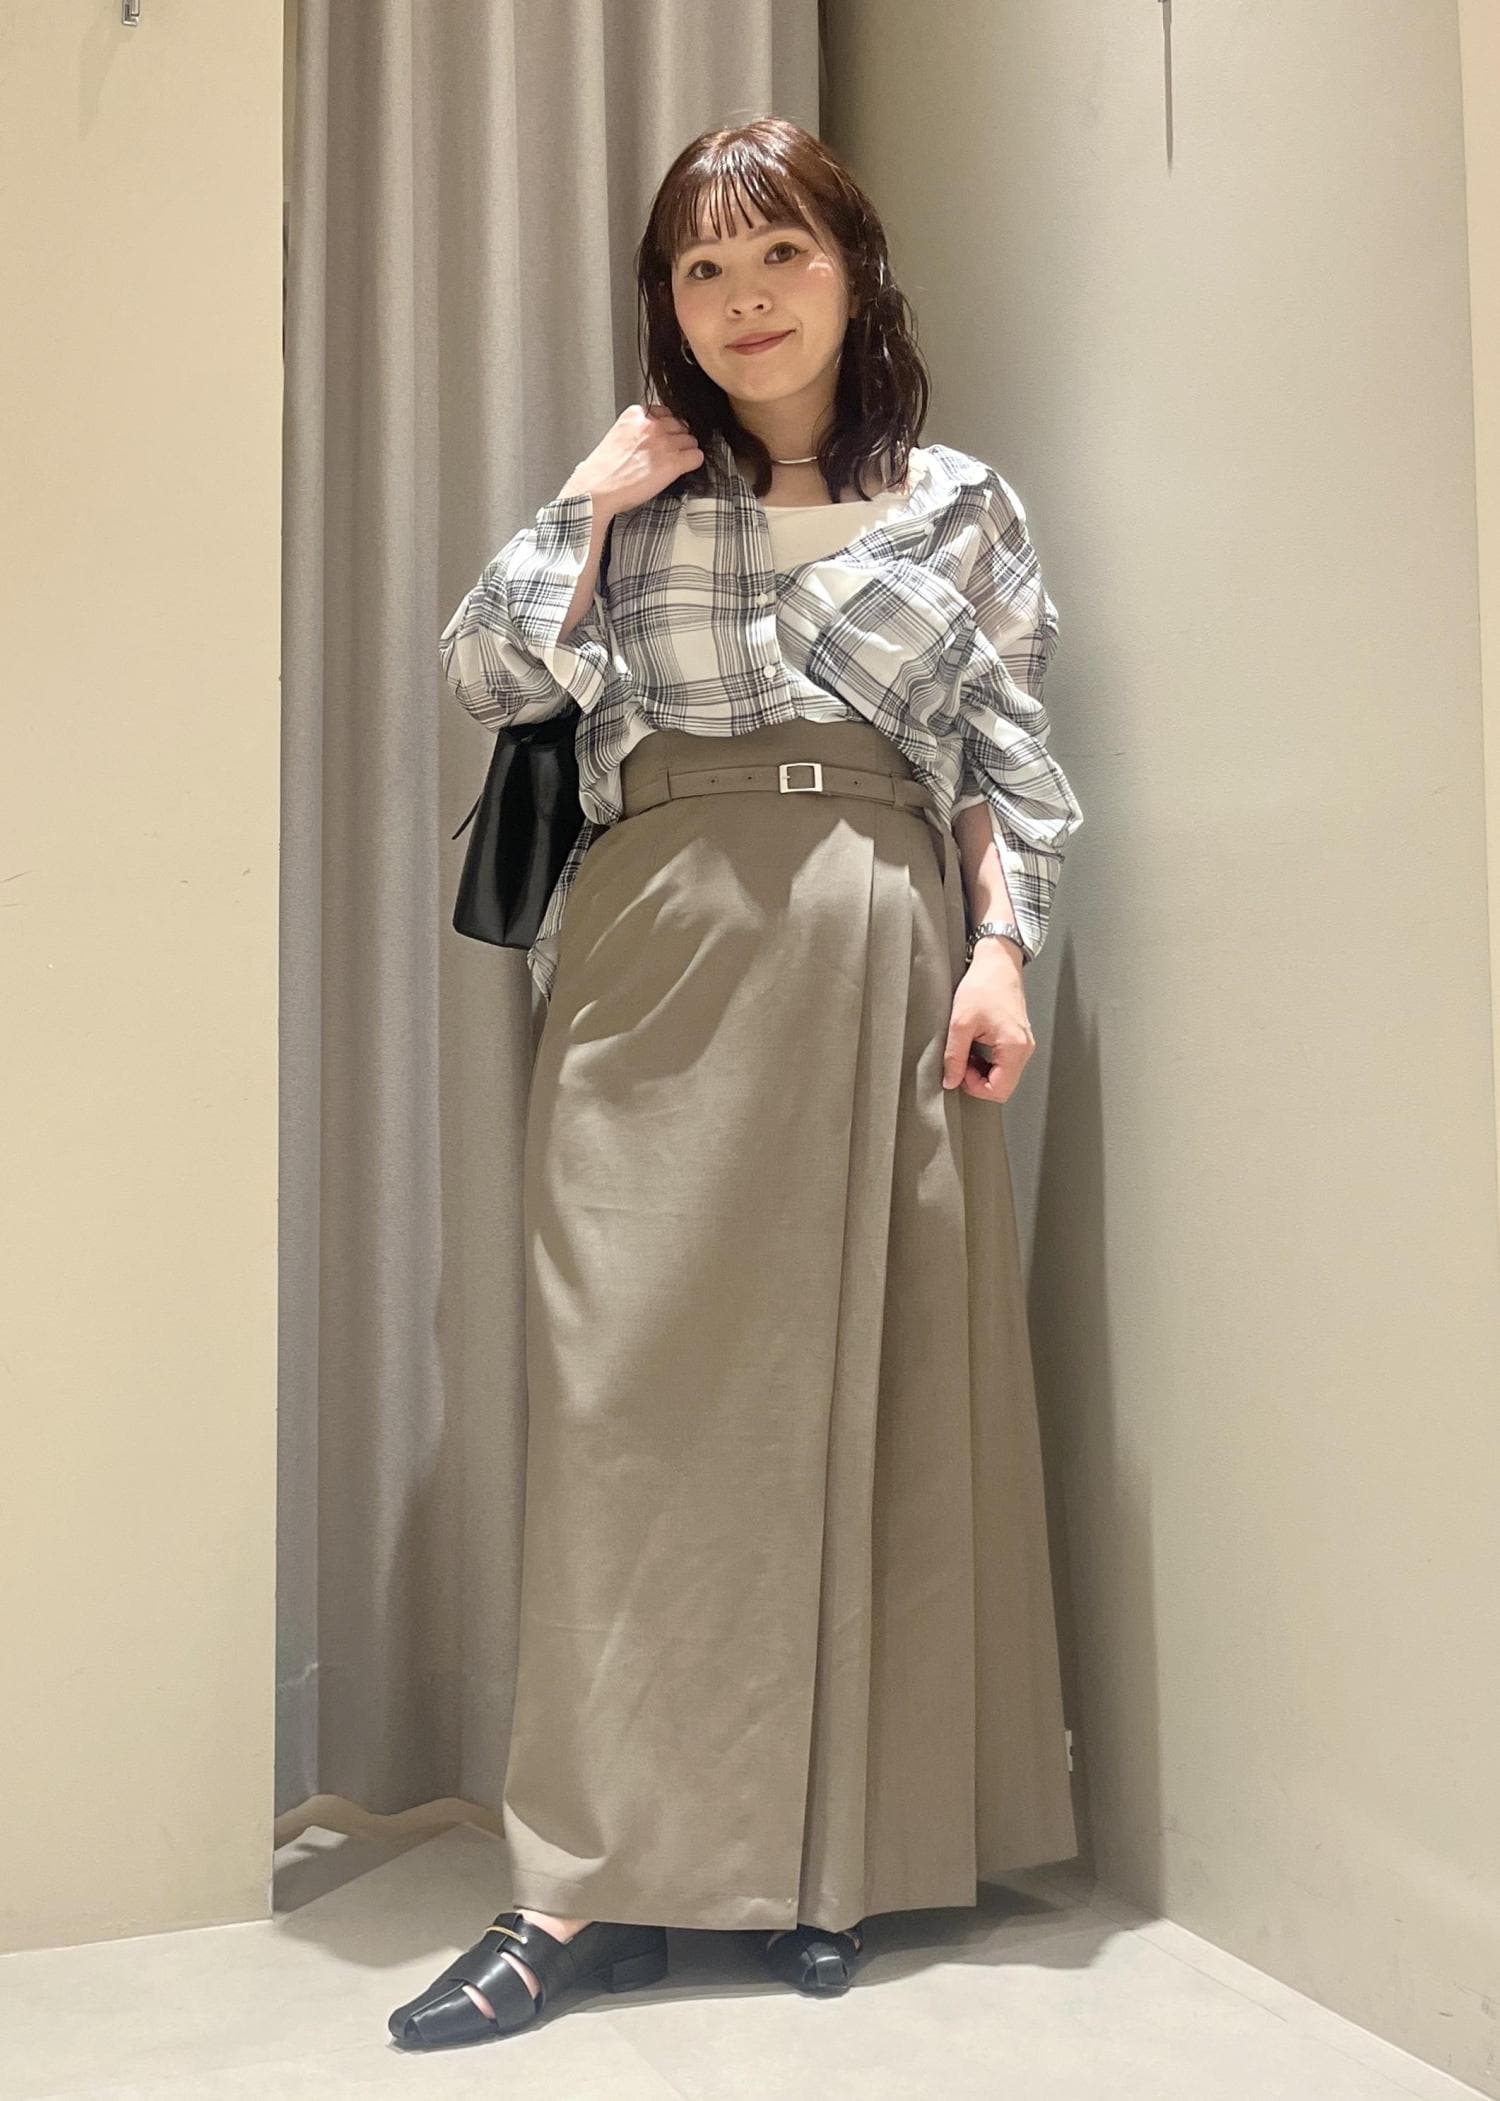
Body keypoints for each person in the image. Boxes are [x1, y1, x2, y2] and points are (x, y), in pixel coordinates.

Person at [390, 114, 1084, 2051]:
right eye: (702, 267)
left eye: (779, 253)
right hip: (657, 946)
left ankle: (825, 1869)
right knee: (622, 1410)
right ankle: (576, 1887)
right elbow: (485, 676)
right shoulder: (636, 490)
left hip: (883, 948)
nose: (745, 297)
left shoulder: (961, 505)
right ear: (667, 306)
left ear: (853, 271)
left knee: (871, 1397)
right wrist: (588, 500)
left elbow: (1001, 761)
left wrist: (1006, 949)